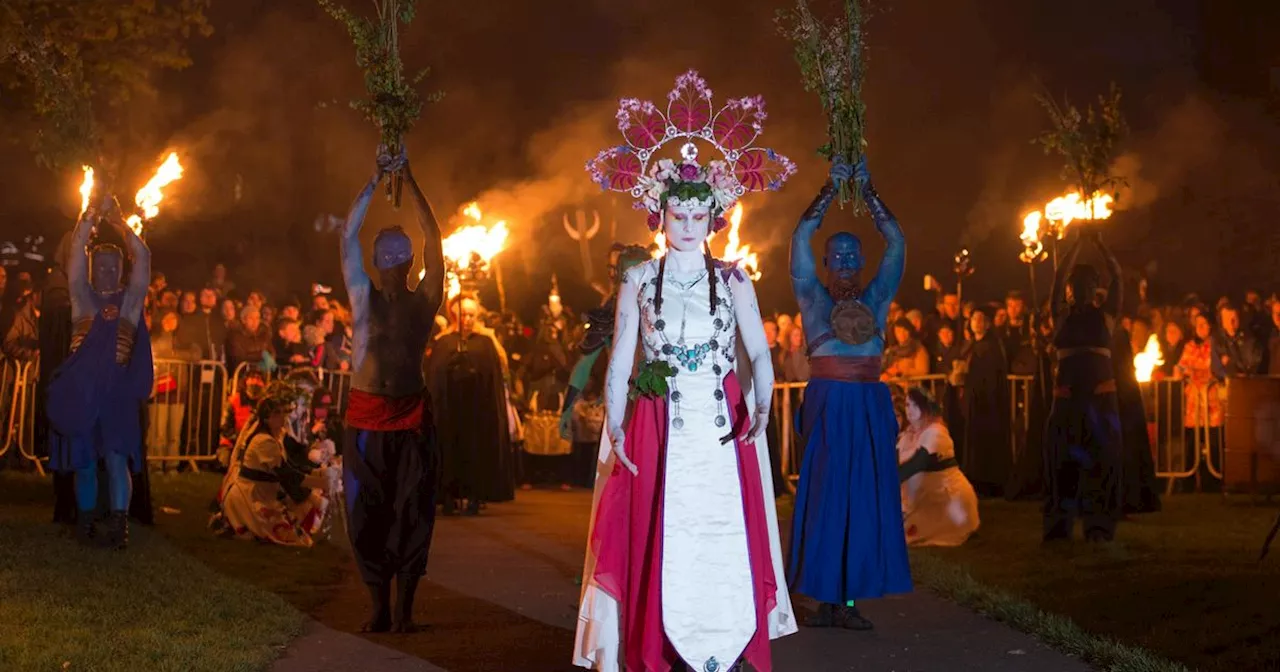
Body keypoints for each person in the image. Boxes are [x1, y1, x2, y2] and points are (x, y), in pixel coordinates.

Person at [575, 70, 797, 672]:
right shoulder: (638, 279)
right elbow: (621, 359)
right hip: (658, 423)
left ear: (715, 220)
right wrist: (616, 427)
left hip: (722, 425)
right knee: (658, 533)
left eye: (699, 218)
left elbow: (761, 353)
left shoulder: (734, 280)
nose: (689, 227)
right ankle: (659, 645)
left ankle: (724, 644)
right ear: (661, 217)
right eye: (678, 217)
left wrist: (765, 405)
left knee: (721, 534)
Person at [787, 155, 911, 630]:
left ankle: (849, 602)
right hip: (829, 405)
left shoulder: (878, 299)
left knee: (864, 500)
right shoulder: (812, 298)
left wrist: (870, 193)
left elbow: (897, 242)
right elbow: (799, 237)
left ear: (861, 261)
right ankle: (820, 597)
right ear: (823, 263)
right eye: (834, 256)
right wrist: (828, 190)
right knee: (826, 497)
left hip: (868, 406)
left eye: (850, 255)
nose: (842, 262)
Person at [339, 146, 444, 633]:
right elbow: (347, 236)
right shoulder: (362, 297)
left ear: (407, 262)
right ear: (379, 260)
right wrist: (375, 178)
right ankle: (379, 606)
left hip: (410, 417)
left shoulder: (424, 299)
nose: (394, 256)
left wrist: (410, 177)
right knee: (366, 514)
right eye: (387, 250)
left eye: (399, 251)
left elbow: (435, 239)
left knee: (412, 512)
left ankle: (405, 611)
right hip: (365, 417)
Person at [45, 195, 153, 548]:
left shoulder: (130, 304)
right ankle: (88, 522)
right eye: (101, 264)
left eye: (114, 265)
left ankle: (119, 526)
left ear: (122, 268)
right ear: (91, 268)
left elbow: (145, 259)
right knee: (85, 460)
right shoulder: (82, 297)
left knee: (117, 456)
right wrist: (90, 214)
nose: (107, 270)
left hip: (116, 393)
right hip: (83, 392)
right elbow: (76, 249)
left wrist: (123, 223)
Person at [1043, 230, 1124, 542]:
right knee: (1062, 466)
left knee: (1103, 465)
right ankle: (1058, 529)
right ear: (1069, 289)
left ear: (1095, 289)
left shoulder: (1106, 317)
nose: (1081, 289)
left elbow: (1117, 275)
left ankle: (1099, 529)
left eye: (1088, 284)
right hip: (1066, 402)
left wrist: (1099, 243)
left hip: (1101, 402)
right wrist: (1077, 244)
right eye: (1076, 285)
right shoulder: (1060, 317)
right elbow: (1058, 276)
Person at [210, 381, 340, 546]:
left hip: (264, 492)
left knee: (305, 506)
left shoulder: (276, 435)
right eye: (277, 413)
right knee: (294, 536)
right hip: (252, 496)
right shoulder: (263, 441)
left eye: (283, 412)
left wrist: (322, 475)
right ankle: (243, 525)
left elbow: (293, 461)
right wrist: (322, 482)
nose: (283, 417)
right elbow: (286, 473)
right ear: (266, 418)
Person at [426, 294, 515, 513]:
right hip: (450, 410)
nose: (467, 319)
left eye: (471, 315)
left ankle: (475, 495)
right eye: (463, 314)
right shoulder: (444, 342)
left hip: (477, 410)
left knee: (475, 452)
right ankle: (448, 495)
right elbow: (435, 376)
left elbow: (492, 376)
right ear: (455, 315)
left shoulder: (485, 343)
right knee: (449, 450)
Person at [897, 387, 980, 546]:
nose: (910, 410)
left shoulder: (936, 432)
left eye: (915, 405)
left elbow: (917, 464)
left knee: (899, 535)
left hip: (947, 502)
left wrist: (883, 483)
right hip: (921, 500)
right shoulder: (909, 435)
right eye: (907, 405)